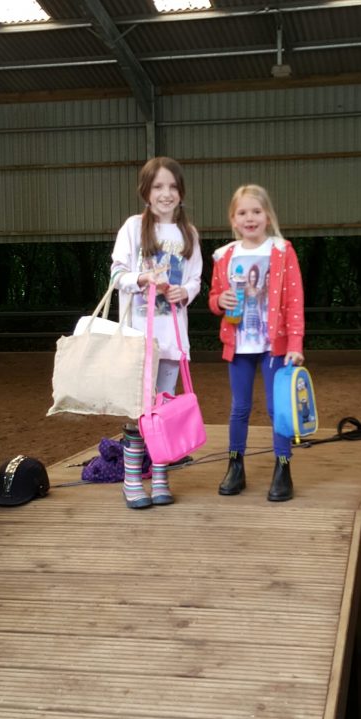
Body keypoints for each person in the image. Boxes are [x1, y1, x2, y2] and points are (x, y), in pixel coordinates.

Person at [110, 156, 202, 509]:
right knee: (138, 411)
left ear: (181, 192)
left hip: (172, 340)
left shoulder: (189, 234)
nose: (166, 194)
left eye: (173, 187)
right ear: (146, 192)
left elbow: (195, 279)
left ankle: (160, 477)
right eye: (158, 187)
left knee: (163, 410)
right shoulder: (133, 228)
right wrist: (142, 278)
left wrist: (185, 292)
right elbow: (117, 274)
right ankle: (133, 480)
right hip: (139, 341)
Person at [208, 184, 305, 502]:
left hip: (273, 346)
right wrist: (219, 301)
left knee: (278, 409)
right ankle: (235, 465)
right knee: (239, 408)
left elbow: (294, 300)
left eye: (256, 211)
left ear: (268, 216)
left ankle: (283, 467)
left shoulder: (282, 251)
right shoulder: (224, 256)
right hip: (239, 345)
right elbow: (214, 297)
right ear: (233, 220)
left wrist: (295, 343)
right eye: (242, 213)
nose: (250, 218)